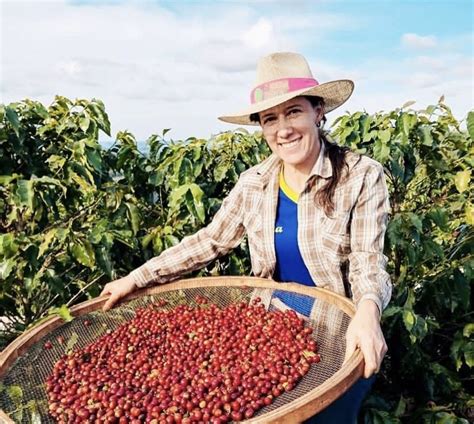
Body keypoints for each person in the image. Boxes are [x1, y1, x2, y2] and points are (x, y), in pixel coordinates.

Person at [100, 52, 391, 422]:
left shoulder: (360, 175)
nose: (283, 129)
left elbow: (368, 258)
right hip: (270, 327)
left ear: (318, 112)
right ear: (262, 128)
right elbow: (210, 240)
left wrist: (367, 311)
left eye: (294, 112)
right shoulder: (255, 183)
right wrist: (136, 277)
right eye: (271, 119)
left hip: (339, 330)